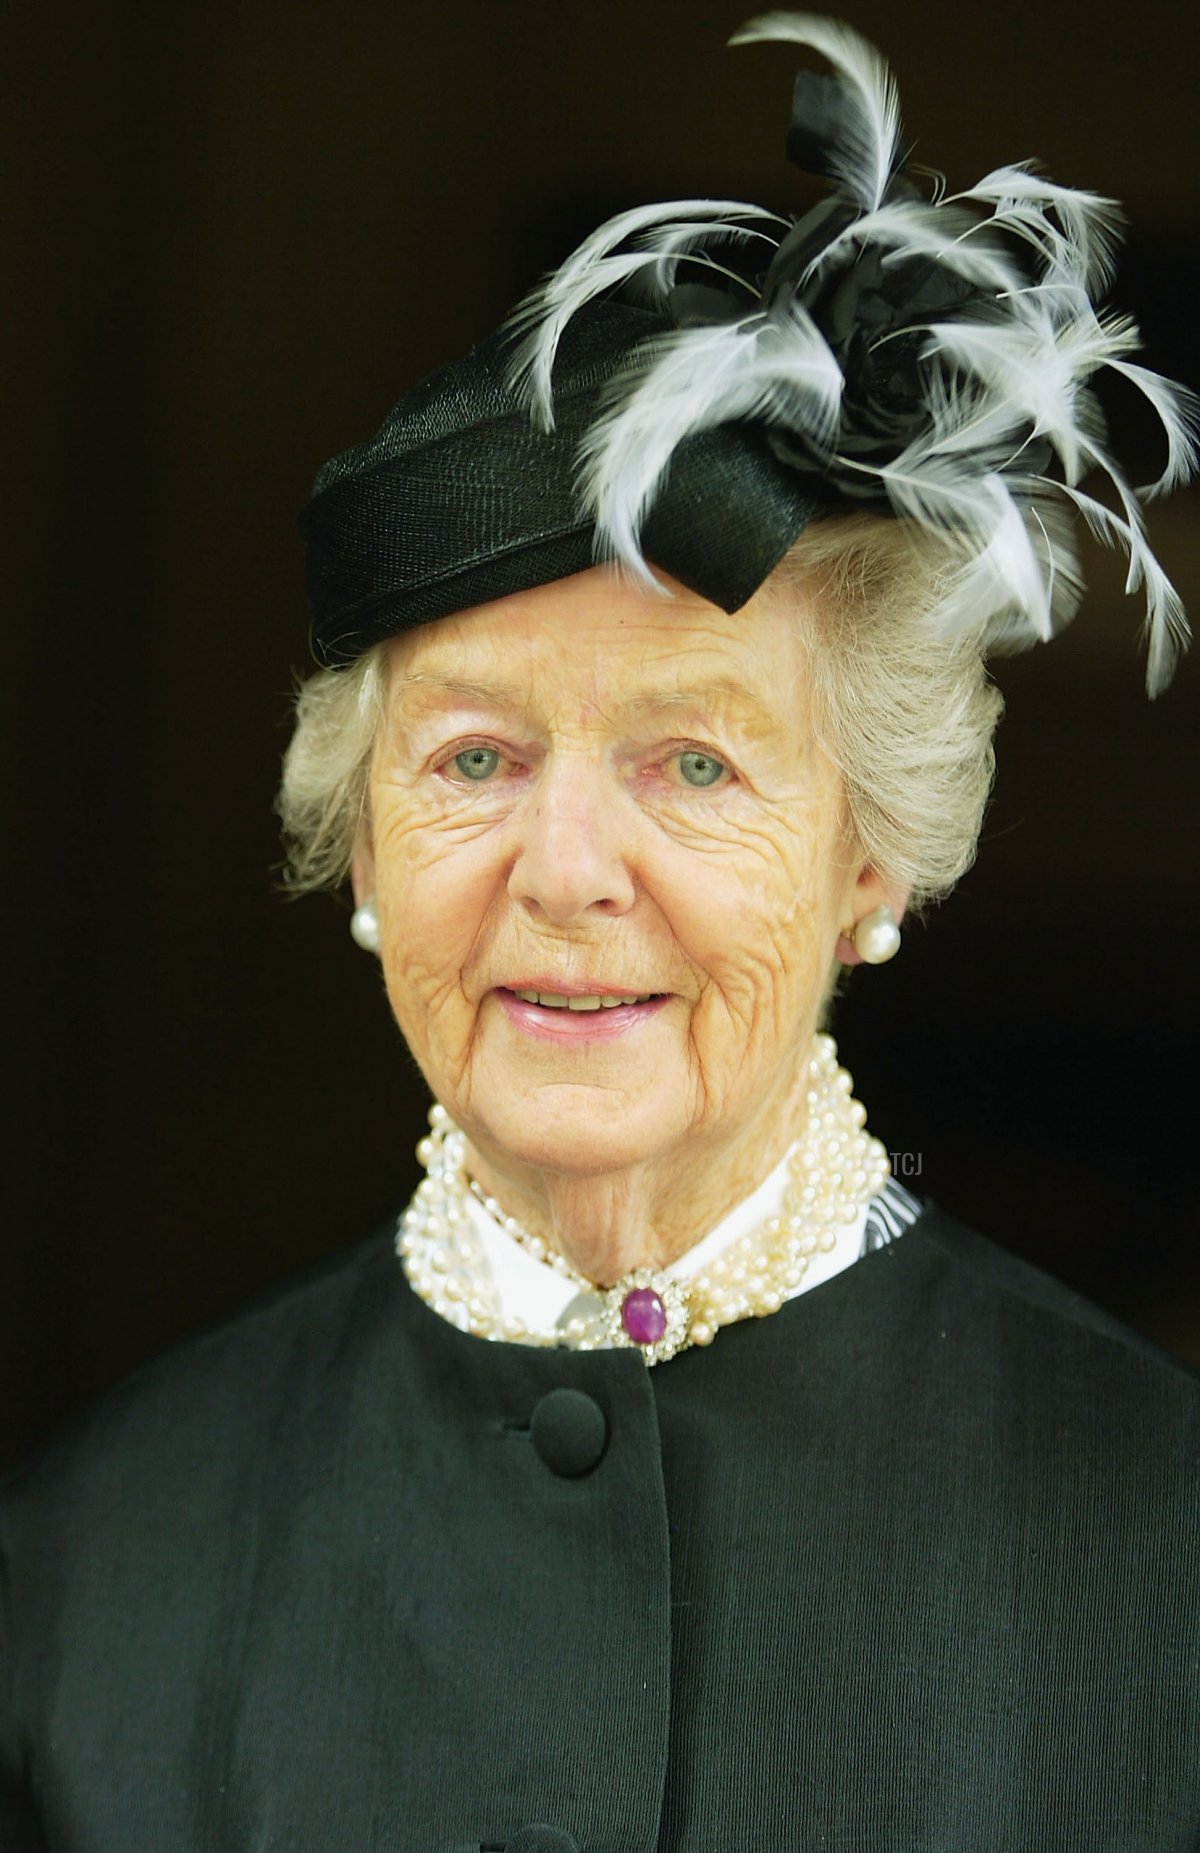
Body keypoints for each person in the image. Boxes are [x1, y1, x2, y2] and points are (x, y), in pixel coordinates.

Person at [2, 14, 1197, 1850]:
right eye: (475, 754)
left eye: (697, 764)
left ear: (872, 856)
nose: (566, 869)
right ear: (370, 846)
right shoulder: (88, 1570)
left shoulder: (1161, 1553)